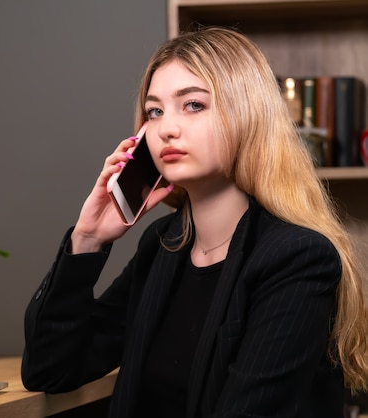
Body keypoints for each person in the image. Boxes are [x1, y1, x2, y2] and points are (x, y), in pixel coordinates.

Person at [21, 27, 368, 417]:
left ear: (247, 114)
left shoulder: (297, 257)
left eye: (193, 105)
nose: (167, 128)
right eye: (155, 111)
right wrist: (87, 239)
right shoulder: (164, 244)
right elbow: (49, 369)